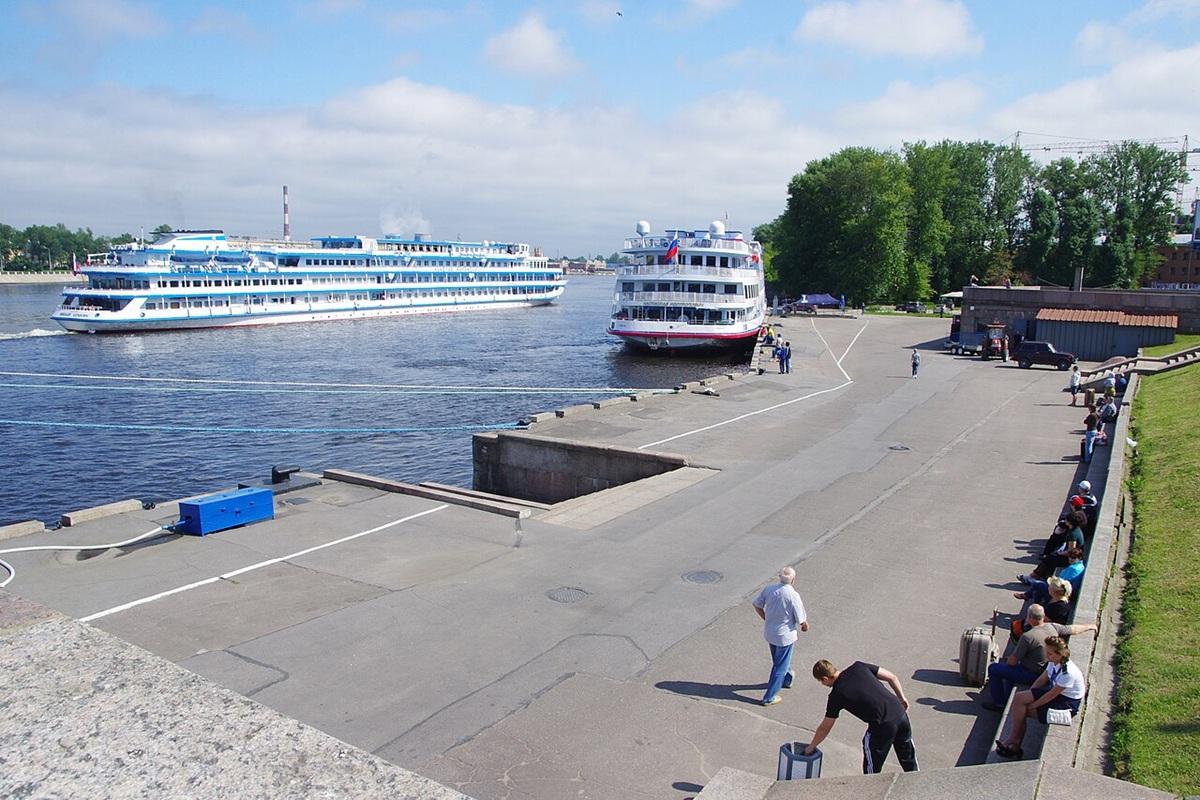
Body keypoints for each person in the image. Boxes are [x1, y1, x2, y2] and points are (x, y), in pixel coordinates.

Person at [804, 659, 918, 773]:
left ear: (825, 678)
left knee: (872, 766)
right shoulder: (858, 666)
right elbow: (892, 677)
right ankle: (916, 780)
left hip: (882, 725)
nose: (823, 684)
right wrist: (902, 698)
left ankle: (871, 786)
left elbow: (825, 728)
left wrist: (811, 747)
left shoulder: (836, 695)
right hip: (900, 713)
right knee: (908, 757)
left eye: (821, 682)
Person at [982, 605, 1095, 712]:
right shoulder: (1052, 626)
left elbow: (1012, 662)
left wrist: (1010, 659)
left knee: (994, 668)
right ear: (1043, 616)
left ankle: (999, 703)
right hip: (1047, 670)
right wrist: (1090, 626)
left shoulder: (1028, 636)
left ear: (1029, 618)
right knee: (1009, 671)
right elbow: (1073, 629)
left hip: (1032, 673)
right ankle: (1006, 695)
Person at [995, 636, 1087, 759]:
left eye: (1049, 654)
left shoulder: (1068, 673)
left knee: (1024, 710)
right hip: (1056, 694)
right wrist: (1029, 694)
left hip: (1065, 703)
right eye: (1046, 652)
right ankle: (1014, 739)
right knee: (1019, 699)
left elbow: (1052, 694)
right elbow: (1042, 679)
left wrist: (1034, 704)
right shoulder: (1054, 662)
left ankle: (1015, 743)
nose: (1047, 656)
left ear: (1059, 654)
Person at [752, 567, 809, 706]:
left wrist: (766, 618)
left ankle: (787, 678)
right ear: (793, 580)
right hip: (785, 636)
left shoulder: (769, 589)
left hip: (770, 633)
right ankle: (769, 697)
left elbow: (757, 604)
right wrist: (805, 626)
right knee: (779, 666)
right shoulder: (793, 595)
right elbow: (801, 619)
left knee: (780, 659)